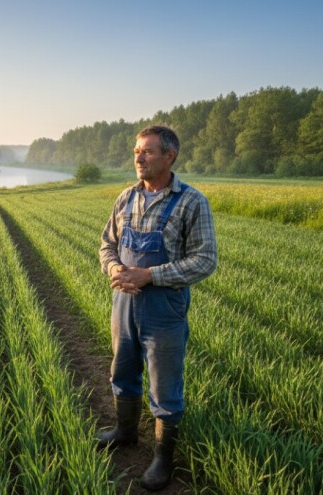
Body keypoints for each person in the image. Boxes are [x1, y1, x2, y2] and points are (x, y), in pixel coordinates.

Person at [97, 125, 217, 491]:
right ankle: (125, 430)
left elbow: (205, 260)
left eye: (147, 151)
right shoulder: (125, 198)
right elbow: (107, 245)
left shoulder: (191, 202)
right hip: (124, 304)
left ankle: (164, 459)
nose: (139, 157)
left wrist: (149, 275)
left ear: (170, 156)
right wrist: (115, 268)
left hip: (164, 308)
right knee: (123, 369)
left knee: (165, 387)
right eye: (136, 150)